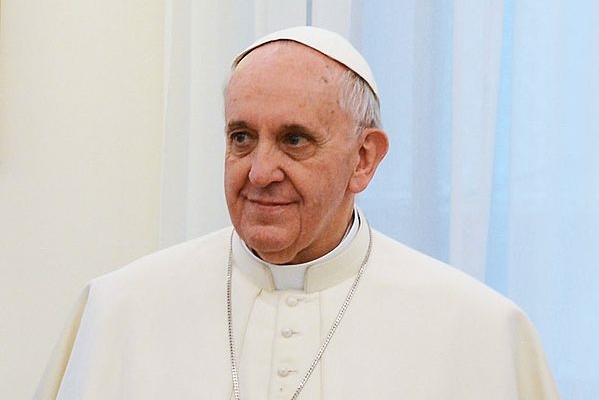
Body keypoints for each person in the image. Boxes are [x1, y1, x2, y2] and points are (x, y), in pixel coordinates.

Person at [34, 26, 560, 400]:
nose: (261, 171)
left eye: (294, 140)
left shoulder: (479, 331)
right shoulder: (120, 309)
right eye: (242, 137)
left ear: (364, 158)